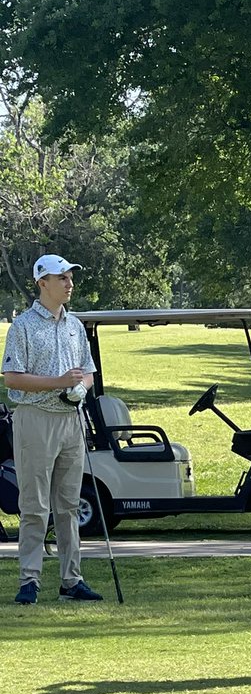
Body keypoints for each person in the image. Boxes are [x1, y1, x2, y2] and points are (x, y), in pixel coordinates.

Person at [2, 254, 103, 604]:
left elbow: (87, 371)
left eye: (70, 276)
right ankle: (29, 580)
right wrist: (57, 382)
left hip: (70, 421)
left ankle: (71, 580)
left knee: (68, 505)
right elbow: (13, 378)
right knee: (34, 505)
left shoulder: (75, 325)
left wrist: (81, 387)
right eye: (62, 277)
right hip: (35, 419)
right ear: (42, 282)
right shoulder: (24, 326)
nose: (69, 282)